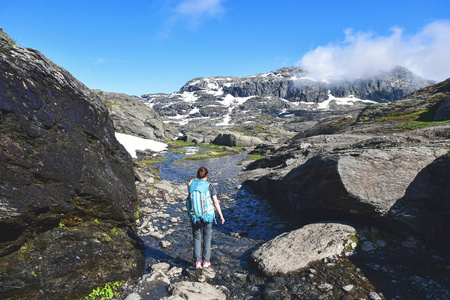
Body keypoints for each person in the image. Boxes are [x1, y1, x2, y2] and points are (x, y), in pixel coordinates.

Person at [187, 167, 225, 270]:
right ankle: (206, 262)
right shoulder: (210, 186)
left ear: (197, 175)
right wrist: (221, 216)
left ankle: (198, 262)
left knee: (197, 238)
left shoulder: (191, 185)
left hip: (195, 216)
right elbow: (216, 202)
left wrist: (190, 215)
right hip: (208, 216)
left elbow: (189, 202)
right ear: (207, 176)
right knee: (207, 239)